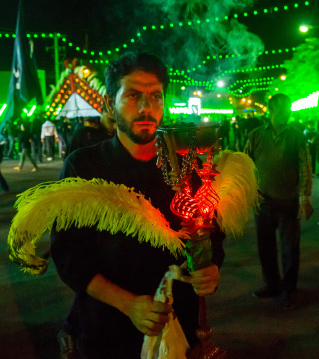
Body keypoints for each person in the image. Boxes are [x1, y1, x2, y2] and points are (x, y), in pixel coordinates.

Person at [50, 51, 225, 358]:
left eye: (155, 96)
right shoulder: (85, 167)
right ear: (109, 103)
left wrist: (210, 268)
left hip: (178, 326)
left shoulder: (189, 165)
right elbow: (69, 256)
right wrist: (128, 304)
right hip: (108, 329)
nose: (146, 107)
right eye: (133, 95)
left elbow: (213, 235)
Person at [244, 93, 314, 310]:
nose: (288, 113)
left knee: (290, 249)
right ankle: (272, 284)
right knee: (266, 247)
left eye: (288, 109)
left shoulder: (296, 136)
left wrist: (304, 199)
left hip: (288, 201)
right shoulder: (255, 135)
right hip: (263, 202)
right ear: (271, 110)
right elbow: (246, 164)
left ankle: (289, 289)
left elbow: (305, 168)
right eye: (283, 110)